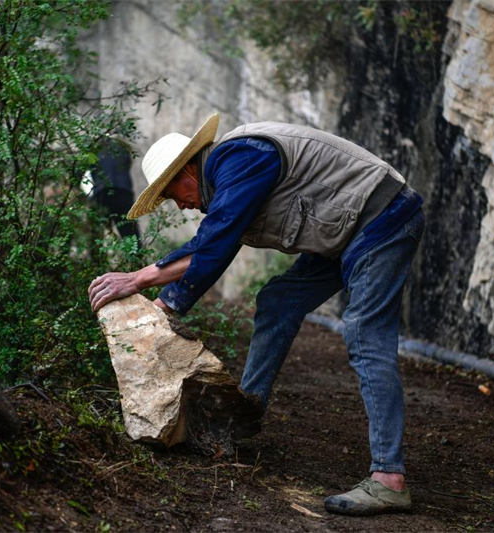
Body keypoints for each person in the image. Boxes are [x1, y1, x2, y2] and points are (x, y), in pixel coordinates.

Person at [87, 113, 424, 516]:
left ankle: (389, 478)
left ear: (188, 168)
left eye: (173, 192)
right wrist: (162, 303)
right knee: (278, 300)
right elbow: (215, 240)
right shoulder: (231, 172)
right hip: (347, 231)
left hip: (381, 219)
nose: (179, 204)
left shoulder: (242, 156)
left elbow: (215, 242)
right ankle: (241, 418)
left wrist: (144, 285)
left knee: (365, 337)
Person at [87, 137, 141, 243]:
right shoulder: (123, 148)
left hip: (102, 193)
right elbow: (127, 165)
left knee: (96, 236)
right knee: (130, 235)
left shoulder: (94, 150)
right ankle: (137, 257)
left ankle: (97, 258)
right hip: (123, 192)